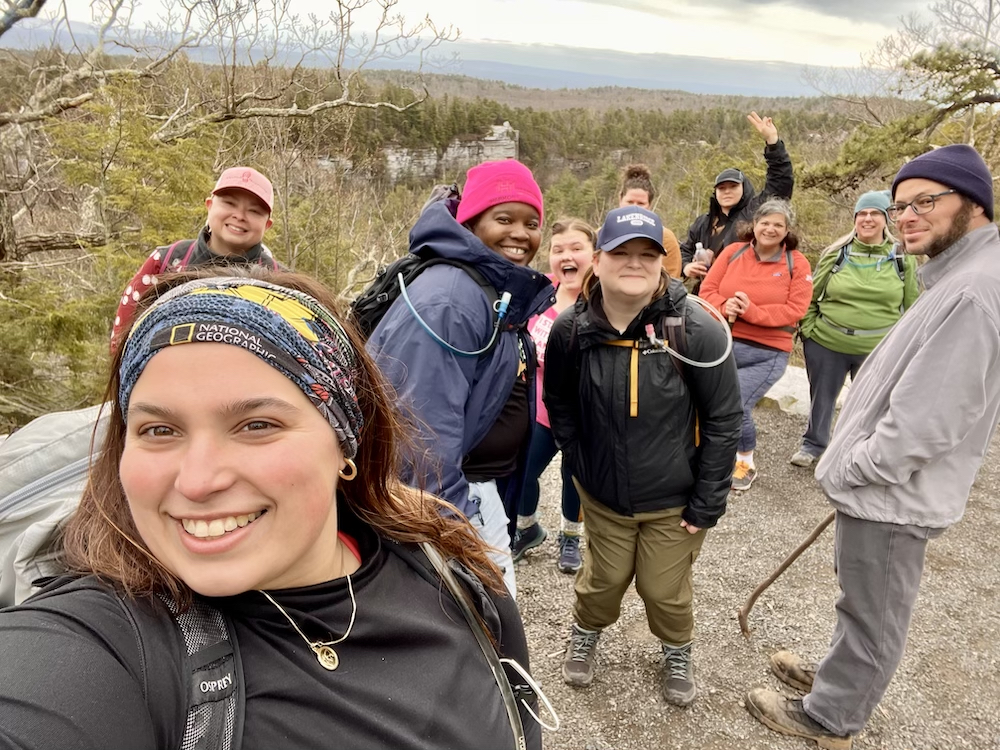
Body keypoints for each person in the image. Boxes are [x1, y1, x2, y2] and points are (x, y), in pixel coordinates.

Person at [0, 271, 542, 750]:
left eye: (257, 425)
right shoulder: (107, 644)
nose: (198, 480)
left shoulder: (445, 560)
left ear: (345, 445)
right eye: (159, 430)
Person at [745, 144, 1000, 750]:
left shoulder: (972, 292)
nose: (906, 216)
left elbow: (926, 423)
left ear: (974, 204)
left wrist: (853, 467)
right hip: (882, 487)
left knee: (874, 609)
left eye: (925, 203)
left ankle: (830, 716)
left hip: (891, 491)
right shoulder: (958, 273)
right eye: (900, 206)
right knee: (861, 596)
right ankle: (839, 679)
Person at [544, 205, 741, 707]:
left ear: (662, 263)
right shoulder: (572, 329)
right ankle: (586, 633)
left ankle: (677, 649)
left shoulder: (693, 328)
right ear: (599, 259)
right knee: (602, 580)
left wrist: (707, 502)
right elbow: (560, 400)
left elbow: (723, 419)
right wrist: (577, 458)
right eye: (621, 253)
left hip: (673, 500)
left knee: (663, 590)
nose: (634, 263)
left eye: (647, 254)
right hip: (604, 493)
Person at [366, 159, 555, 598]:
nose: (521, 234)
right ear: (471, 221)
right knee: (484, 617)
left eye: (532, 222)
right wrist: (455, 537)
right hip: (451, 500)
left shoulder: (484, 288)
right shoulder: (451, 301)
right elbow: (419, 440)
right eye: (503, 218)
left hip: (473, 490)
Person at [790, 191, 919, 468]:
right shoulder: (837, 254)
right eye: (862, 213)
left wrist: (904, 346)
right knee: (821, 398)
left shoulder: (902, 257)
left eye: (875, 213)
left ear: (886, 219)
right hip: (827, 342)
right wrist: (810, 331)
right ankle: (813, 445)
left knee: (870, 403)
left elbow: (912, 307)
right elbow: (810, 296)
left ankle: (853, 451)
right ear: (855, 219)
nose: (868, 218)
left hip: (877, 348)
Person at [699, 199, 812, 491]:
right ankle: (711, 456)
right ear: (755, 224)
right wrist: (725, 306)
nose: (770, 229)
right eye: (765, 222)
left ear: (787, 230)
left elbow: (795, 310)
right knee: (707, 403)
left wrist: (752, 313)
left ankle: (745, 461)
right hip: (722, 344)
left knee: (736, 406)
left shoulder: (796, 262)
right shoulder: (733, 252)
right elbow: (707, 290)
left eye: (778, 224)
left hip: (767, 353)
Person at [110, 166, 279, 348]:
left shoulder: (279, 281)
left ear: (267, 224)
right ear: (209, 205)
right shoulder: (166, 262)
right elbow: (121, 338)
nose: (239, 216)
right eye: (229, 203)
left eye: (254, 211)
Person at [511, 218, 593, 573]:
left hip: (585, 416)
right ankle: (527, 528)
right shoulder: (539, 293)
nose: (567, 256)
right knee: (522, 473)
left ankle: (571, 538)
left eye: (577, 248)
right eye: (558, 249)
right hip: (539, 411)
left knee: (574, 479)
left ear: (596, 255)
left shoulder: (605, 301)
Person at [680, 112, 794, 282]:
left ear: (744, 188)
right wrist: (686, 267)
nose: (727, 191)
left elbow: (780, 182)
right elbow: (684, 251)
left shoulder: (756, 211)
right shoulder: (703, 223)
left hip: (746, 290)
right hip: (707, 294)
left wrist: (773, 143)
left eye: (733, 186)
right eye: (721, 188)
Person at [618, 163, 683, 278]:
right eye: (630, 202)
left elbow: (672, 282)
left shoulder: (665, 238)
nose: (634, 208)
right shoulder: (602, 234)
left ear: (650, 205)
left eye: (641, 203)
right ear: (620, 199)